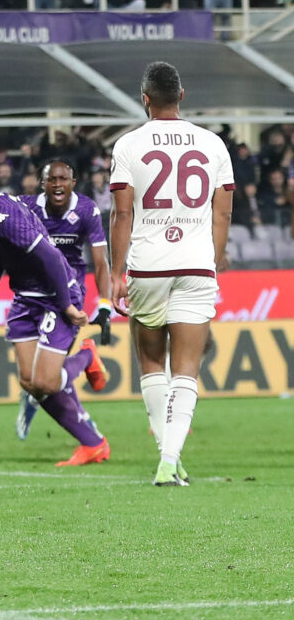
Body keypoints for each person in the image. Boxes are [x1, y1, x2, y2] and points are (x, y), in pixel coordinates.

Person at [109, 61, 234, 486]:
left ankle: (167, 456)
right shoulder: (213, 144)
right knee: (187, 369)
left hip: (147, 266)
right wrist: (215, 259)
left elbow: (122, 213)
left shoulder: (128, 145)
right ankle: (170, 460)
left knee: (150, 361)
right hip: (197, 264)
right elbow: (223, 213)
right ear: (181, 96)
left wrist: (114, 273)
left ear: (145, 99)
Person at [0, 146, 110, 468]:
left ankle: (87, 356)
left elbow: (50, 256)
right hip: (25, 298)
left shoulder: (2, 211)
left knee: (46, 383)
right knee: (30, 382)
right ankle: (93, 444)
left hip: (56, 296)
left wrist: (66, 305)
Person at [15, 159, 113, 440]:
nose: (57, 185)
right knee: (37, 376)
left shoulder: (86, 210)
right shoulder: (27, 206)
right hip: (32, 293)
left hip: (68, 296)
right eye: (51, 180)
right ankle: (68, 409)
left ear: (73, 182)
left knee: (46, 377)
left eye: (63, 179)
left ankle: (84, 359)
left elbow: (101, 262)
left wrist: (104, 304)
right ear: (41, 184)